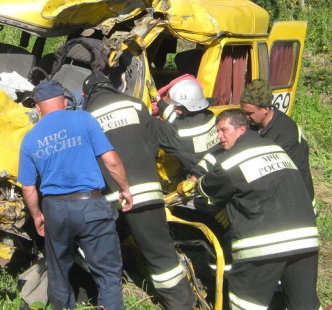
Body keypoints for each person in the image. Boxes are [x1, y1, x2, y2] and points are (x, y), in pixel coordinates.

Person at [183, 109, 321, 310]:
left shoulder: (232, 161)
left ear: (240, 129)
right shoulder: (274, 148)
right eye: (217, 132)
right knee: (304, 304)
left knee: (246, 303)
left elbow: (208, 187)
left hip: (264, 244)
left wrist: (195, 181)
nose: (219, 136)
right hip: (305, 239)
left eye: (223, 130)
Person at [81, 73, 195, 310]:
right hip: (145, 192)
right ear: (112, 86)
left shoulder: (84, 117)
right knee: (160, 252)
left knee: (98, 249)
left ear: (85, 94)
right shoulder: (134, 104)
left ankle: (97, 298)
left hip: (107, 198)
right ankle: (181, 304)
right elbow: (156, 140)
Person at [18, 80, 133, 310]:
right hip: (91, 206)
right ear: (64, 101)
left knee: (59, 271)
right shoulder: (83, 119)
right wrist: (125, 188)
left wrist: (38, 215)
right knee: (108, 273)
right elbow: (110, 161)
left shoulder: (29, 140)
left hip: (55, 211)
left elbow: (28, 187)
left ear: (38, 108)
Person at [239, 79, 316, 210]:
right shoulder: (253, 124)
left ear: (266, 108)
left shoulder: (286, 133)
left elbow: (279, 177)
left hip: (296, 203)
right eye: (243, 112)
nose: (245, 117)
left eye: (249, 113)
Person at [156, 79, 219, 179]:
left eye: (177, 105)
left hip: (197, 180)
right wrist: (158, 100)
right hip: (214, 172)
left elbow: (150, 125)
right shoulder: (209, 117)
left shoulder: (177, 132)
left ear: (189, 106)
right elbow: (178, 120)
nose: (173, 108)